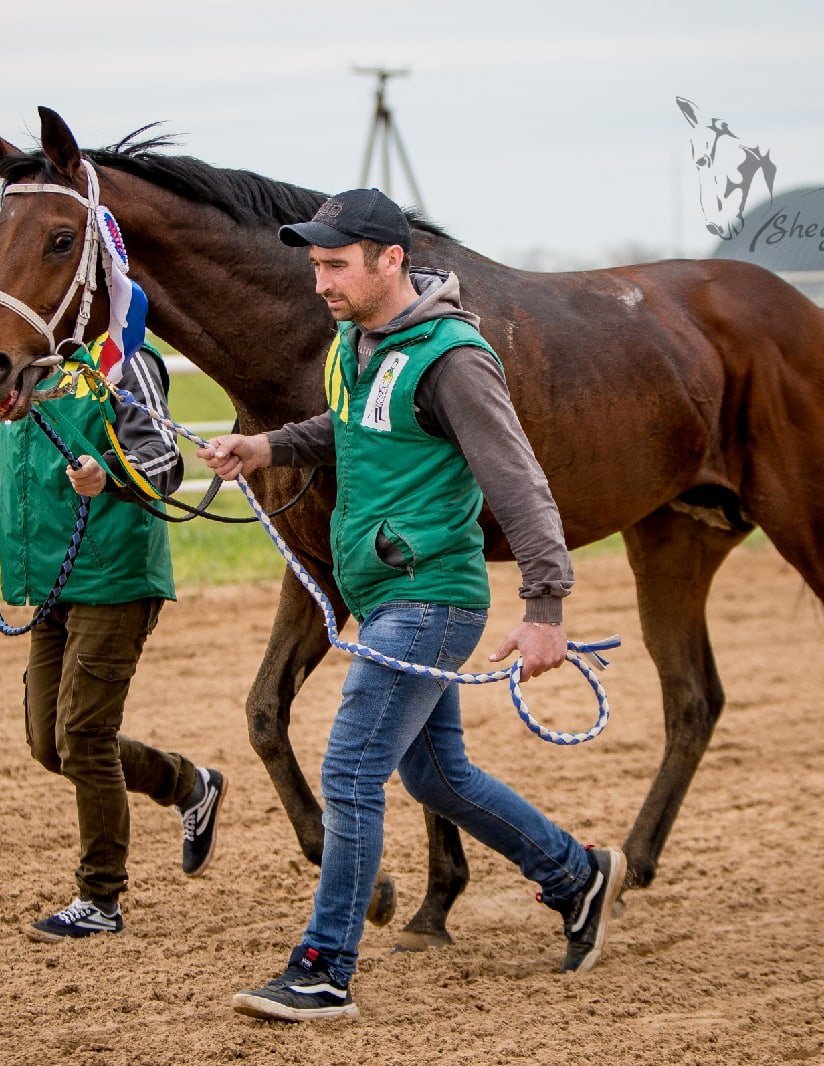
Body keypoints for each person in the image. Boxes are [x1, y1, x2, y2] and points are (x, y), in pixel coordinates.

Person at [200, 188, 625, 1022]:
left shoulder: (454, 357)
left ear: (390, 260)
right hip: (388, 593)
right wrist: (265, 446)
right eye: (315, 264)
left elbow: (519, 480)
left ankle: (323, 969)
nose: (320, 280)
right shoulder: (354, 344)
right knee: (436, 775)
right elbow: (350, 427)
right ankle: (576, 875)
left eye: (335, 264)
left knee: (350, 770)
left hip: (430, 598)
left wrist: (545, 606)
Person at [0, 337, 225, 943]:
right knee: (49, 743)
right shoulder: (18, 369)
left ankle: (100, 898)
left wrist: (107, 475)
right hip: (50, 580)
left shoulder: (120, 361)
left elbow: (165, 464)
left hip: (114, 575)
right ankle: (189, 786)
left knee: (82, 735)